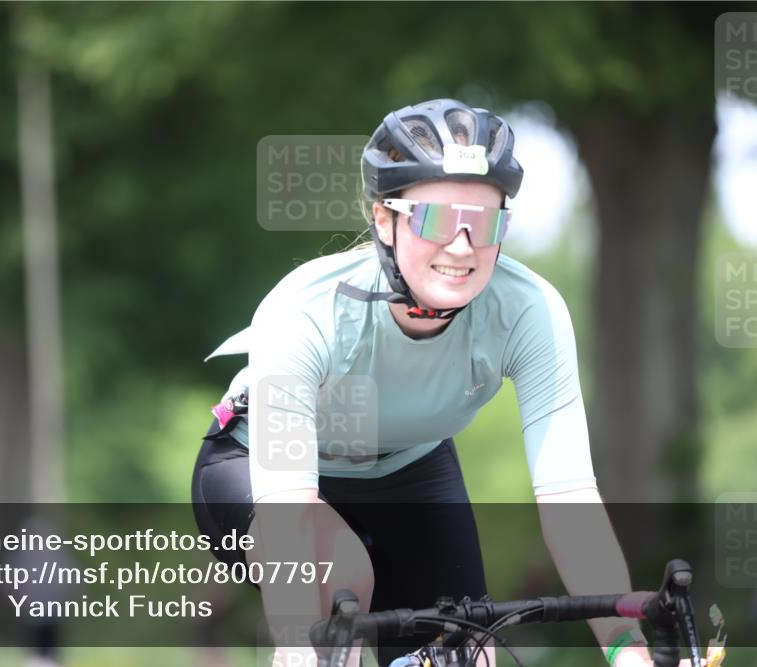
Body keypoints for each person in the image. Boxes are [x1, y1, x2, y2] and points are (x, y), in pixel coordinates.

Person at [192, 99, 688, 667]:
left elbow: (570, 500)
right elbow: (290, 518)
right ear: (384, 218)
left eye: (484, 223)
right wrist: (298, 640)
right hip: (260, 472)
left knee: (470, 650)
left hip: (409, 468)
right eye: (434, 219)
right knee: (339, 590)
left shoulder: (530, 311)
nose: (461, 246)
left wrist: (627, 650)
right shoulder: (304, 309)